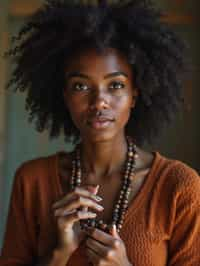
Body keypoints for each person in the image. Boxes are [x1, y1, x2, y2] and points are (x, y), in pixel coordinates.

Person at [0, 0, 200, 265]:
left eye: (115, 85)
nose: (99, 102)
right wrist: (59, 253)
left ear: (134, 96)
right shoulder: (32, 181)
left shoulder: (180, 186)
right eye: (81, 86)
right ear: (65, 96)